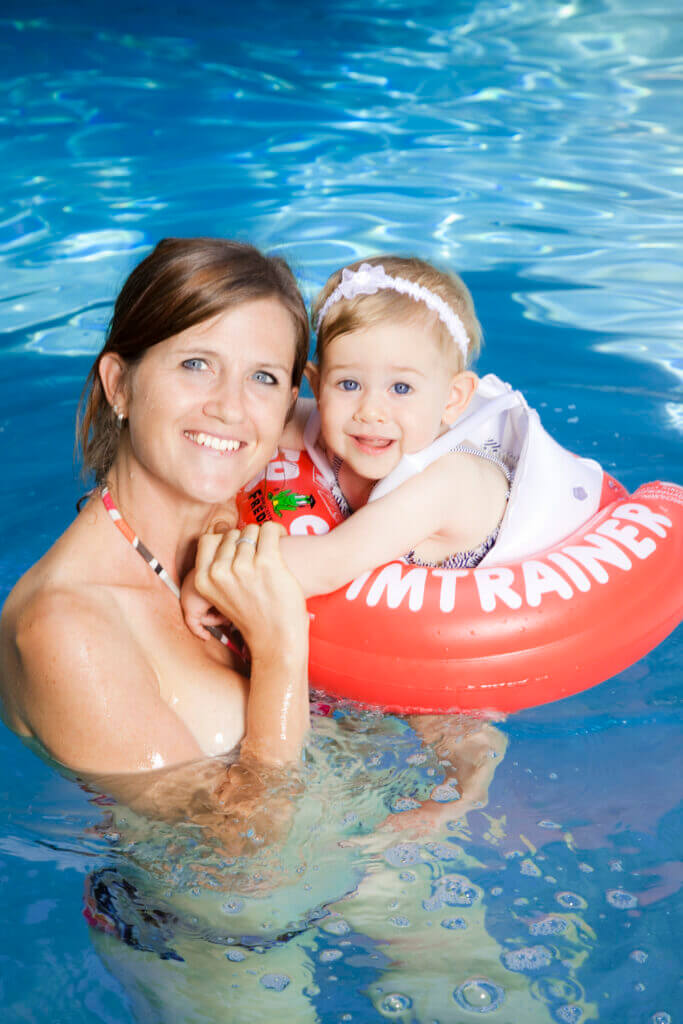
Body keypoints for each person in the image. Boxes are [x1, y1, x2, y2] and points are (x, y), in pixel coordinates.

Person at [0, 237, 312, 818]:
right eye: (197, 364)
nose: (231, 407)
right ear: (119, 384)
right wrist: (280, 655)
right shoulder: (67, 630)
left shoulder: (249, 519)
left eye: (263, 378)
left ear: (291, 403)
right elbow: (241, 883)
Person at [184, 254, 511, 627]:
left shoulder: (444, 482)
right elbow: (251, 429)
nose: (370, 411)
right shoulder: (347, 429)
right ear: (317, 386)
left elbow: (328, 562)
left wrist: (209, 577)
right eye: (349, 384)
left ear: (453, 399)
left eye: (401, 388)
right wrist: (224, 507)